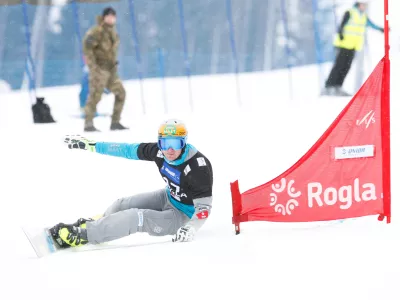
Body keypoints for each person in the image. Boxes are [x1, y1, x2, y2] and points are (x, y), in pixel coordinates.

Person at [49, 119, 213, 247]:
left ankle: (85, 235)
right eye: (165, 143)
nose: (169, 150)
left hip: (182, 216)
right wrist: (91, 145)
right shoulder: (158, 152)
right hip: (168, 197)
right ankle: (94, 224)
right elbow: (126, 149)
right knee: (122, 204)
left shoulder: (198, 167)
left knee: (137, 218)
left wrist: (190, 228)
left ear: (184, 143)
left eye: (175, 143)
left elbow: (204, 208)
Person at [322, 1, 384, 96]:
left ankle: (338, 86)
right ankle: (329, 86)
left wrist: (381, 29)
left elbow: (371, 25)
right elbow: (341, 25)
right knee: (339, 66)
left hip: (353, 46)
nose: (365, 7)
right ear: (359, 4)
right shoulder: (350, 12)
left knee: (346, 67)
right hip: (344, 45)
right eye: (363, 5)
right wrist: (341, 34)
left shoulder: (363, 16)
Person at [82, 7, 128, 132]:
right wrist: (93, 67)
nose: (111, 18)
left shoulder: (113, 32)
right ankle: (88, 123)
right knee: (95, 96)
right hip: (99, 69)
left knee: (121, 93)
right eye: (108, 16)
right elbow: (87, 49)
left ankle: (115, 122)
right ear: (103, 17)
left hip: (111, 70)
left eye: (113, 16)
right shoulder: (97, 31)